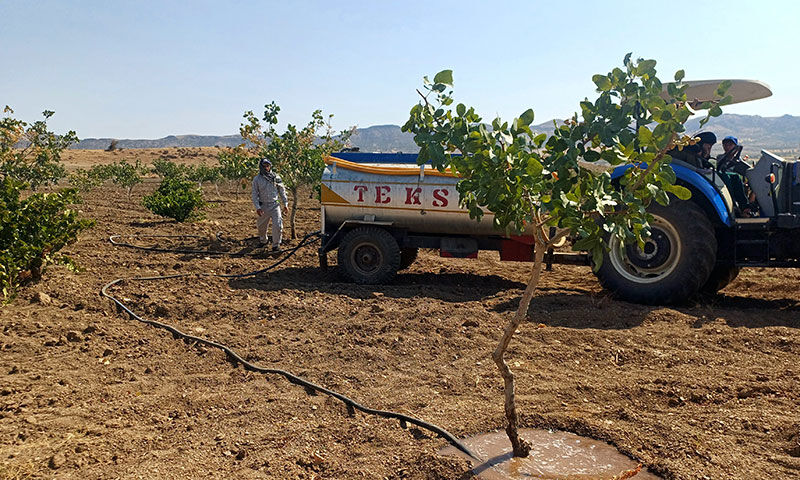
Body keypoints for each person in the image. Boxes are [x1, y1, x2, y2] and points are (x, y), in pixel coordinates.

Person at [251, 158, 288, 252]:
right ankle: (263, 241)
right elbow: (254, 194)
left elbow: (282, 191)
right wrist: (258, 207)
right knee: (261, 227)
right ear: (261, 166)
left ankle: (276, 245)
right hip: (263, 206)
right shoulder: (257, 179)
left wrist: (285, 204)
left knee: (278, 225)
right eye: (265, 165)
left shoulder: (276, 177)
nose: (267, 167)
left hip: (275, 205)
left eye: (268, 165)